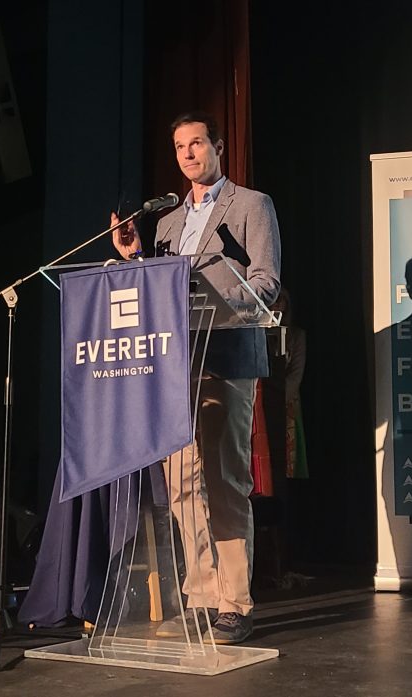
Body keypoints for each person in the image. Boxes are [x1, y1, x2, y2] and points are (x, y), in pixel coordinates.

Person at [110, 111, 281, 644]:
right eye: (180, 146)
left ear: (218, 147)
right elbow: (156, 291)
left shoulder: (251, 205)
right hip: (174, 365)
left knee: (225, 481)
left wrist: (214, 300)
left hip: (226, 355)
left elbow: (266, 282)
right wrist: (136, 258)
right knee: (182, 483)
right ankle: (202, 596)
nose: (188, 154)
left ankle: (235, 603)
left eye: (197, 143)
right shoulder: (165, 223)